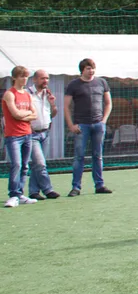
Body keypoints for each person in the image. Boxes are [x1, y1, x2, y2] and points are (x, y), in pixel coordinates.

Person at [64, 58, 113, 196]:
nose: (91, 71)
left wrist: (103, 121)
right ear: (82, 70)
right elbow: (66, 106)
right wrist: (71, 125)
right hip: (81, 126)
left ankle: (99, 185)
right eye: (88, 68)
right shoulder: (73, 85)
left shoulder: (102, 82)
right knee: (79, 157)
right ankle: (76, 187)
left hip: (98, 125)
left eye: (93, 68)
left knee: (98, 156)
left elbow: (108, 103)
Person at [3, 66, 39, 208]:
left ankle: (20, 194)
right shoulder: (9, 94)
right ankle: (13, 195)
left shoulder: (27, 95)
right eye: (21, 76)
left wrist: (24, 114)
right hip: (13, 135)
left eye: (26, 76)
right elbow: (15, 114)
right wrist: (26, 113)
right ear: (14, 78)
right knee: (16, 164)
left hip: (27, 134)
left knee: (24, 165)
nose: (24, 79)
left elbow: (35, 115)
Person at [27, 69, 60, 200]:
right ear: (34, 79)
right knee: (40, 164)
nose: (45, 81)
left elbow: (53, 114)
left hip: (45, 133)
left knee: (38, 164)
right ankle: (48, 189)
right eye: (42, 78)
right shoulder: (27, 94)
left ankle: (33, 192)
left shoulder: (48, 94)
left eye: (47, 78)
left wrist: (53, 104)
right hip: (32, 134)